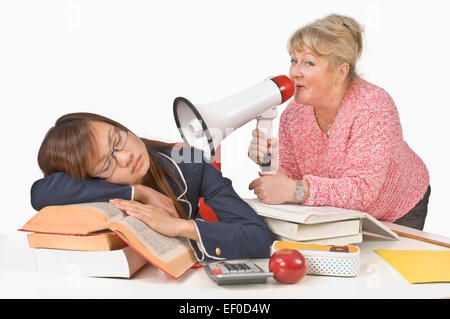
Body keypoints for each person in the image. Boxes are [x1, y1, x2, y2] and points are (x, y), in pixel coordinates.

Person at [248, 14, 430, 230]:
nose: (295, 72)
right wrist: (269, 163)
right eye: (293, 60)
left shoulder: (373, 106)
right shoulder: (293, 114)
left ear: (340, 72)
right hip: (343, 212)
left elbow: (362, 191)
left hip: (397, 208)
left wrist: (295, 190)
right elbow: (292, 178)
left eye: (308, 63)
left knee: (384, 263)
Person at [31, 112, 275, 261]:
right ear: (92, 178)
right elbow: (40, 192)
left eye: (117, 139)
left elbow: (260, 238)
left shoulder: (191, 165)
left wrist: (180, 226)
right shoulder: (97, 186)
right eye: (106, 164)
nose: (124, 158)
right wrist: (139, 192)